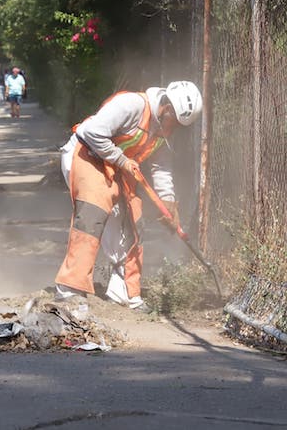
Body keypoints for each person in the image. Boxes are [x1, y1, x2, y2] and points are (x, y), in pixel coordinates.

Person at [54, 81, 203, 312]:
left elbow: (162, 167)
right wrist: (122, 160)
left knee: (133, 219)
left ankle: (123, 291)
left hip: (115, 164)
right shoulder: (132, 105)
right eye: (174, 122)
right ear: (166, 108)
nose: (175, 129)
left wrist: (168, 202)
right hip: (85, 153)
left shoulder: (164, 130)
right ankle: (70, 288)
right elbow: (90, 132)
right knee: (94, 209)